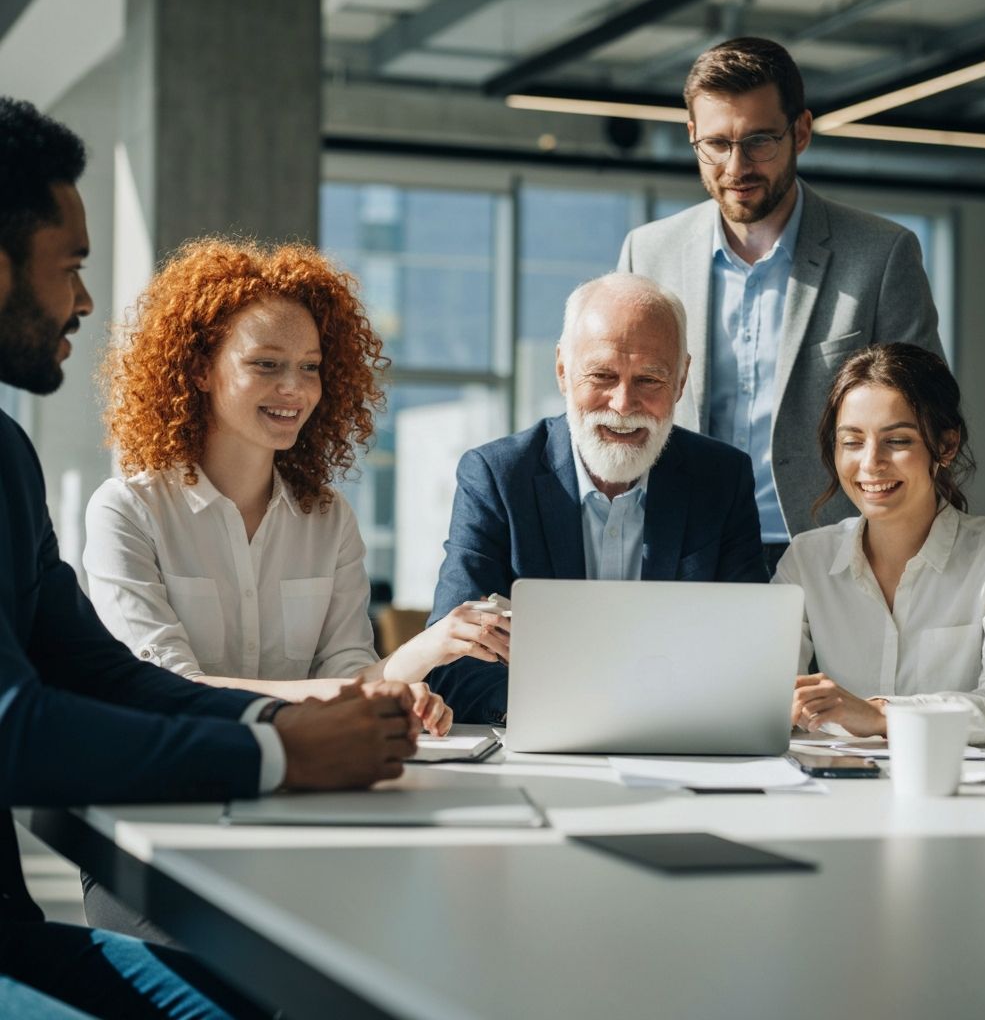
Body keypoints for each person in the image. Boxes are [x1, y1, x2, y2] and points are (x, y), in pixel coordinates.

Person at [0, 97, 418, 1019]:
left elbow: (97, 671)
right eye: (69, 266)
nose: (84, 300)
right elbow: (16, 729)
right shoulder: (123, 502)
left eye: (308, 368)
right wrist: (276, 756)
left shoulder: (7, 452)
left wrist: (275, 716)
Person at [84, 238, 507, 728]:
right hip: (176, 783)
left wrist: (422, 660)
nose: (294, 387)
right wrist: (359, 695)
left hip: (308, 777)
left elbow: (349, 675)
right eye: (266, 364)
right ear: (201, 369)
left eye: (310, 367)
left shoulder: (329, 520)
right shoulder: (127, 511)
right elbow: (167, 687)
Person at [617, 36, 945, 567]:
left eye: (759, 141)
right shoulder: (648, 252)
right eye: (717, 144)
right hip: (685, 547)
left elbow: (924, 415)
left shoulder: (882, 254)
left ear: (801, 131)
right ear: (693, 136)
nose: (736, 166)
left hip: (832, 547)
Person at [428, 272, 767, 724]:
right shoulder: (496, 476)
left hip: (676, 744)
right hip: (542, 747)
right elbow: (451, 662)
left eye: (649, 379)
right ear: (563, 371)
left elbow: (748, 653)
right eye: (602, 375)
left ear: (682, 380)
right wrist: (580, 711)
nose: (624, 404)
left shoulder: (722, 479)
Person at [775, 343, 985, 745]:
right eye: (852, 442)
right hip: (837, 792)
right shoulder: (806, 560)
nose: (871, 463)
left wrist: (877, 713)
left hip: (958, 795)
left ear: (946, 445)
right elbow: (767, 698)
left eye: (898, 441)